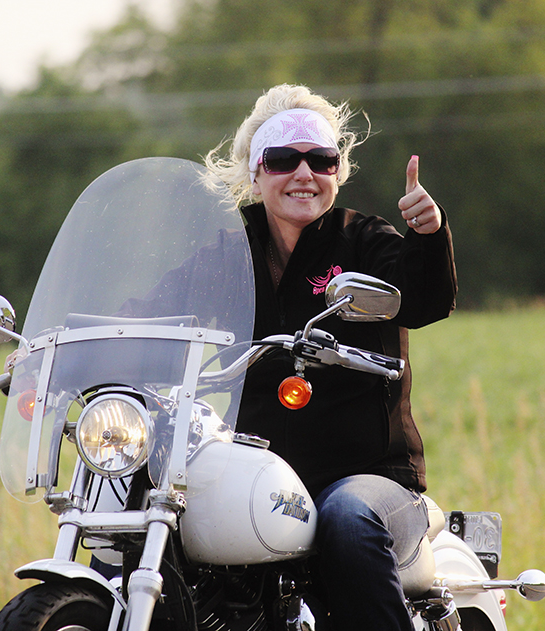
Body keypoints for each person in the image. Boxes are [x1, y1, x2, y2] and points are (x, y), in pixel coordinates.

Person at [203, 84, 458, 631]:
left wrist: (427, 232)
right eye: (282, 159)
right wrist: (57, 340)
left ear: (337, 171)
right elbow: (155, 310)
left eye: (320, 159)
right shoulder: (228, 250)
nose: (303, 173)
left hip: (370, 478)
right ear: (255, 170)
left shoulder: (363, 239)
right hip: (258, 473)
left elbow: (424, 299)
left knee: (346, 518)